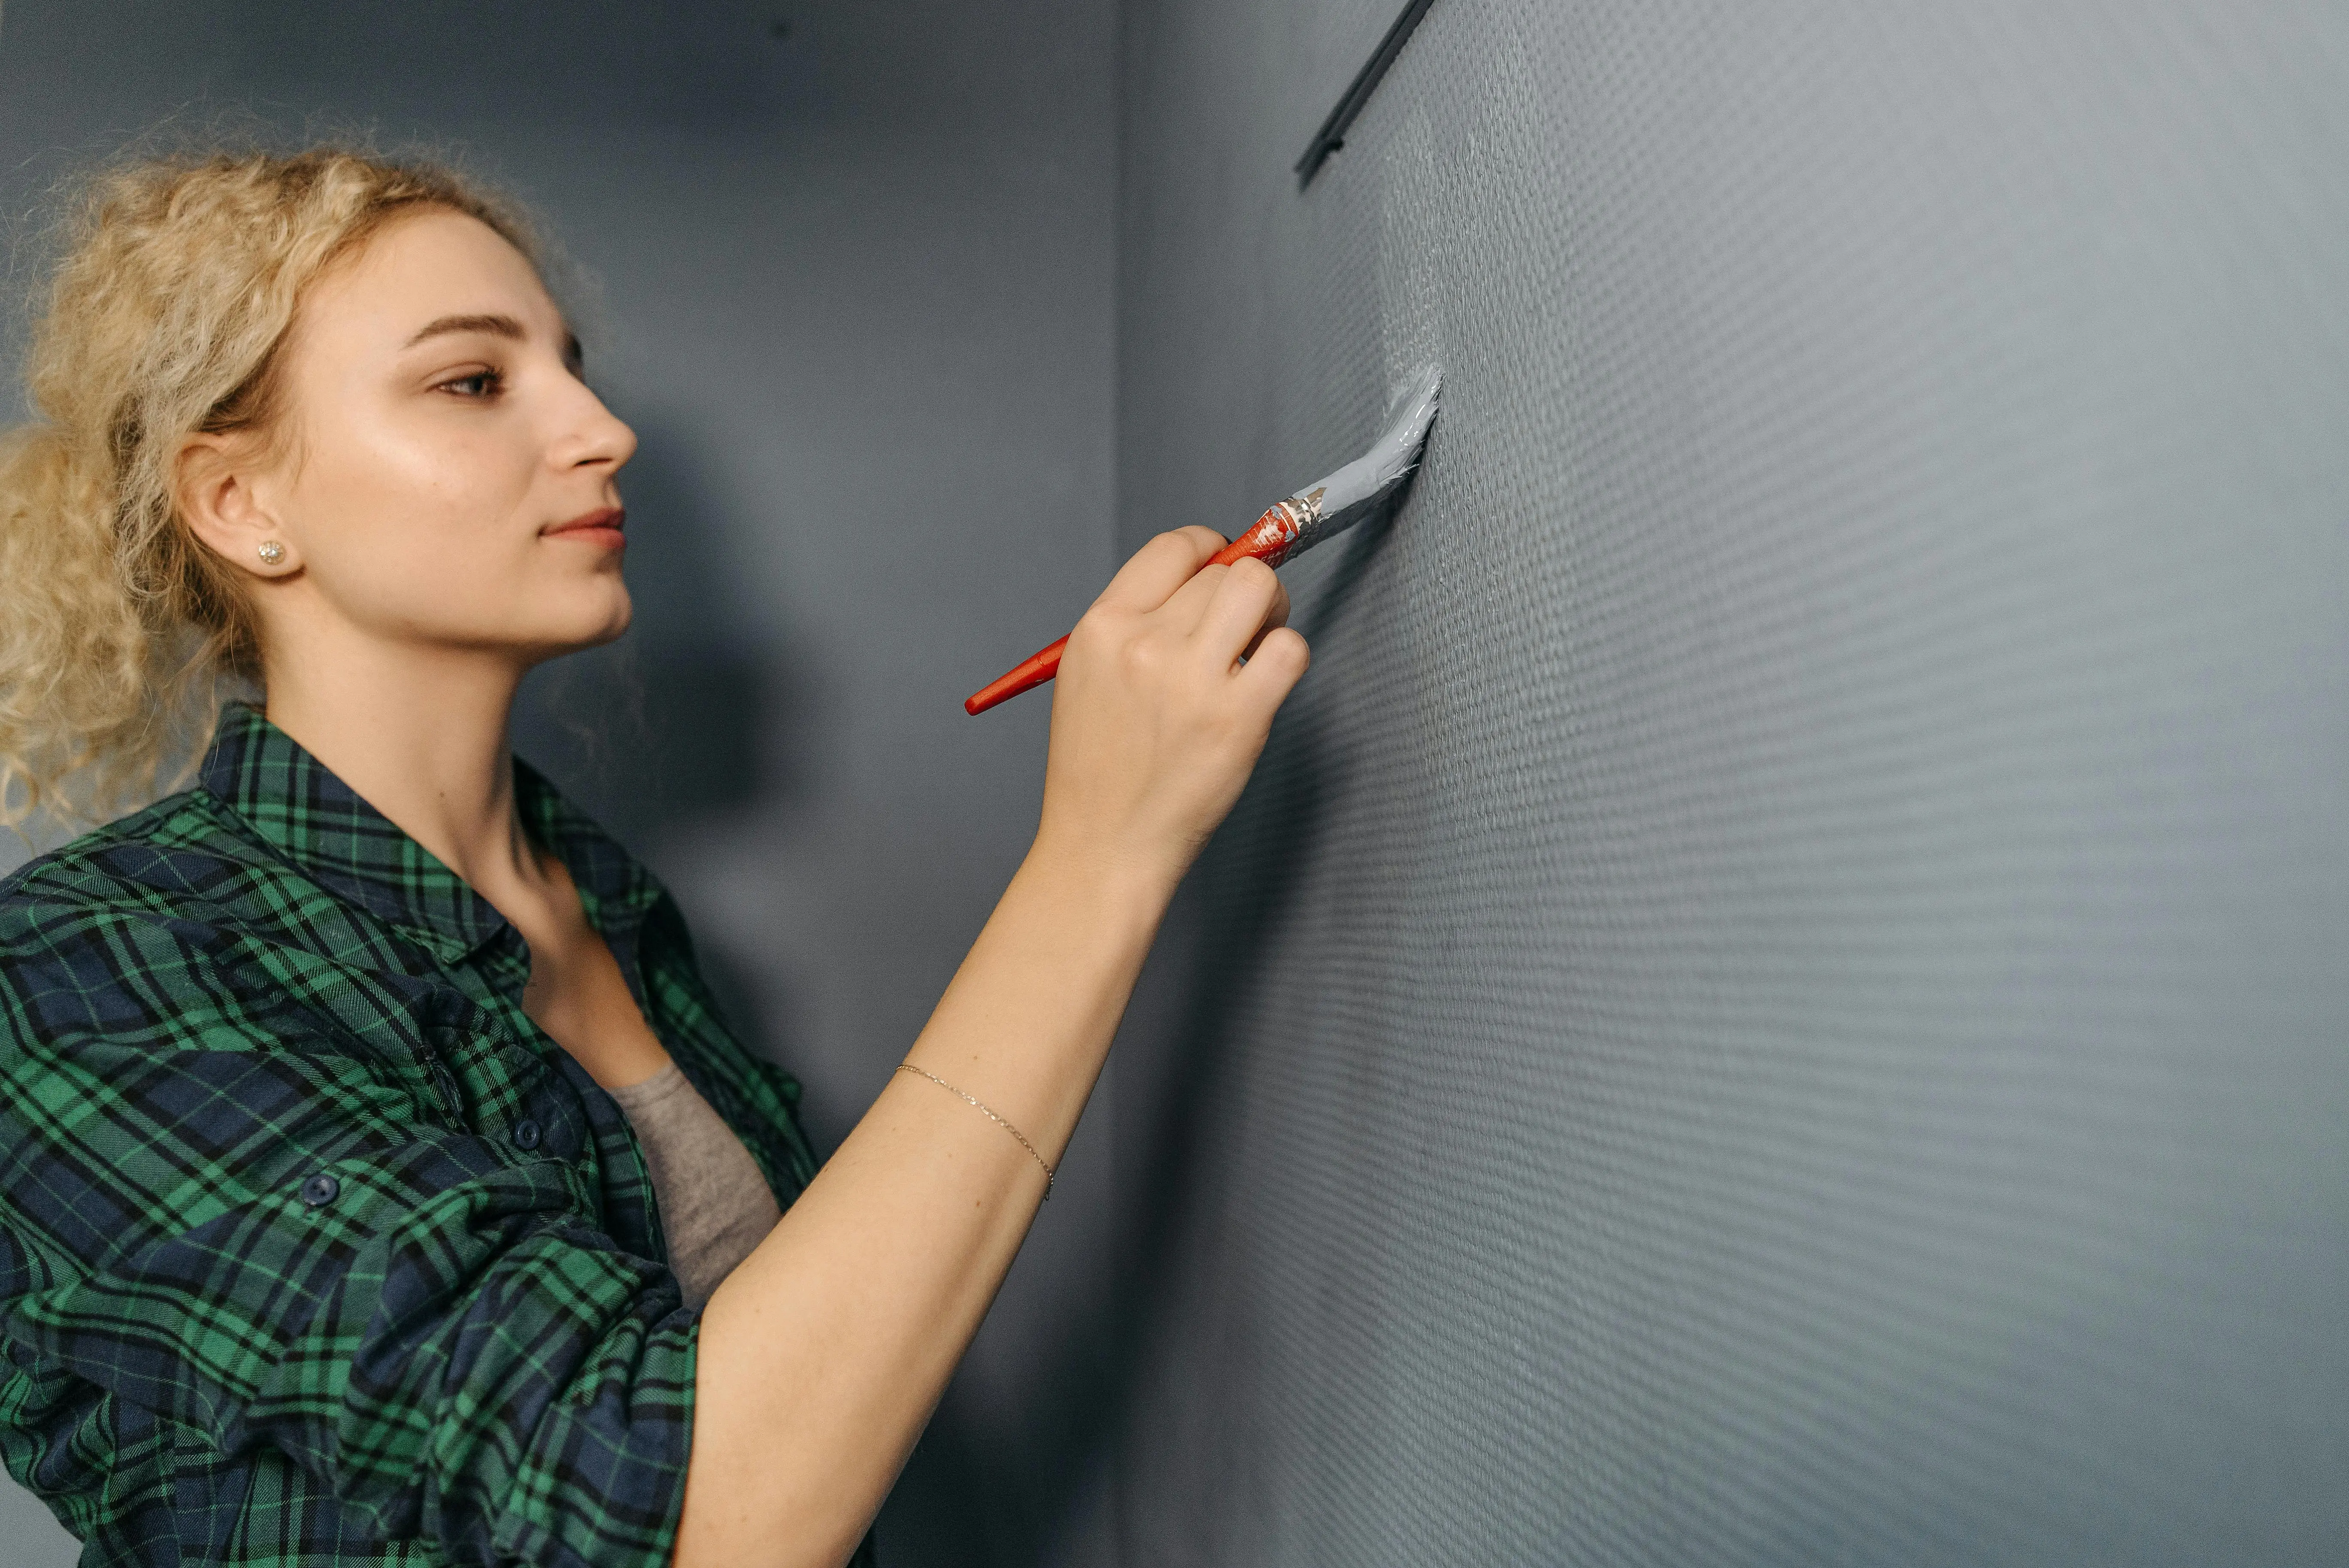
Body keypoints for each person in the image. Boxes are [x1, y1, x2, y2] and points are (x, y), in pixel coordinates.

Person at [0, 147, 1307, 1568]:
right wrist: (1103, 850)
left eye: (571, 365)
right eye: (474, 381)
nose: (604, 428)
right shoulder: (80, 975)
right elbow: (688, 1506)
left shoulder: (604, 901)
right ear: (241, 502)